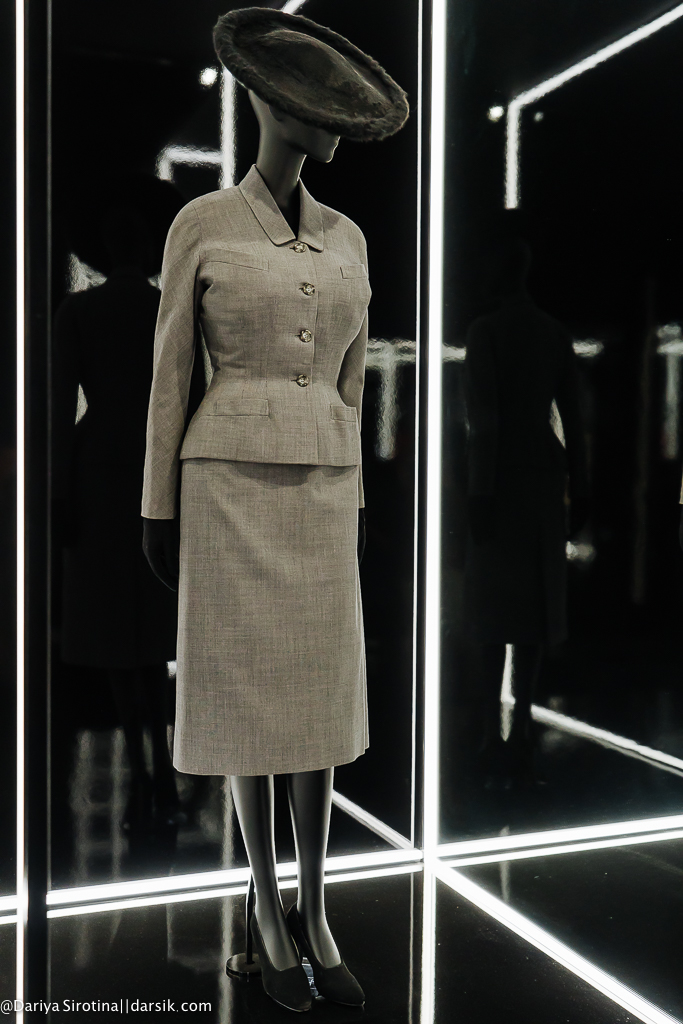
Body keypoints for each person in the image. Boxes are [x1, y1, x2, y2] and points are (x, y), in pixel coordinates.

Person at [141, 8, 409, 1012]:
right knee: (248, 700)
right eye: (311, 103)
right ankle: (261, 905)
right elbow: (171, 373)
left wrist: (358, 491)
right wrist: (156, 505)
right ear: (264, 102)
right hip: (226, 488)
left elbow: (350, 381)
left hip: (324, 486)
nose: (328, 122)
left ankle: (315, 907)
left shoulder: (349, 237)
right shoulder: (204, 224)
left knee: (319, 704)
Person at [464, 236, 588, 788]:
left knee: (493, 615)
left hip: (501, 480)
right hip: (543, 475)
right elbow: (574, 418)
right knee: (534, 614)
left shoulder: (485, 331)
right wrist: (582, 485)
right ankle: (522, 732)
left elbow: (485, 418)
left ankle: (490, 734)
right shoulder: (553, 332)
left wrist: (479, 490)